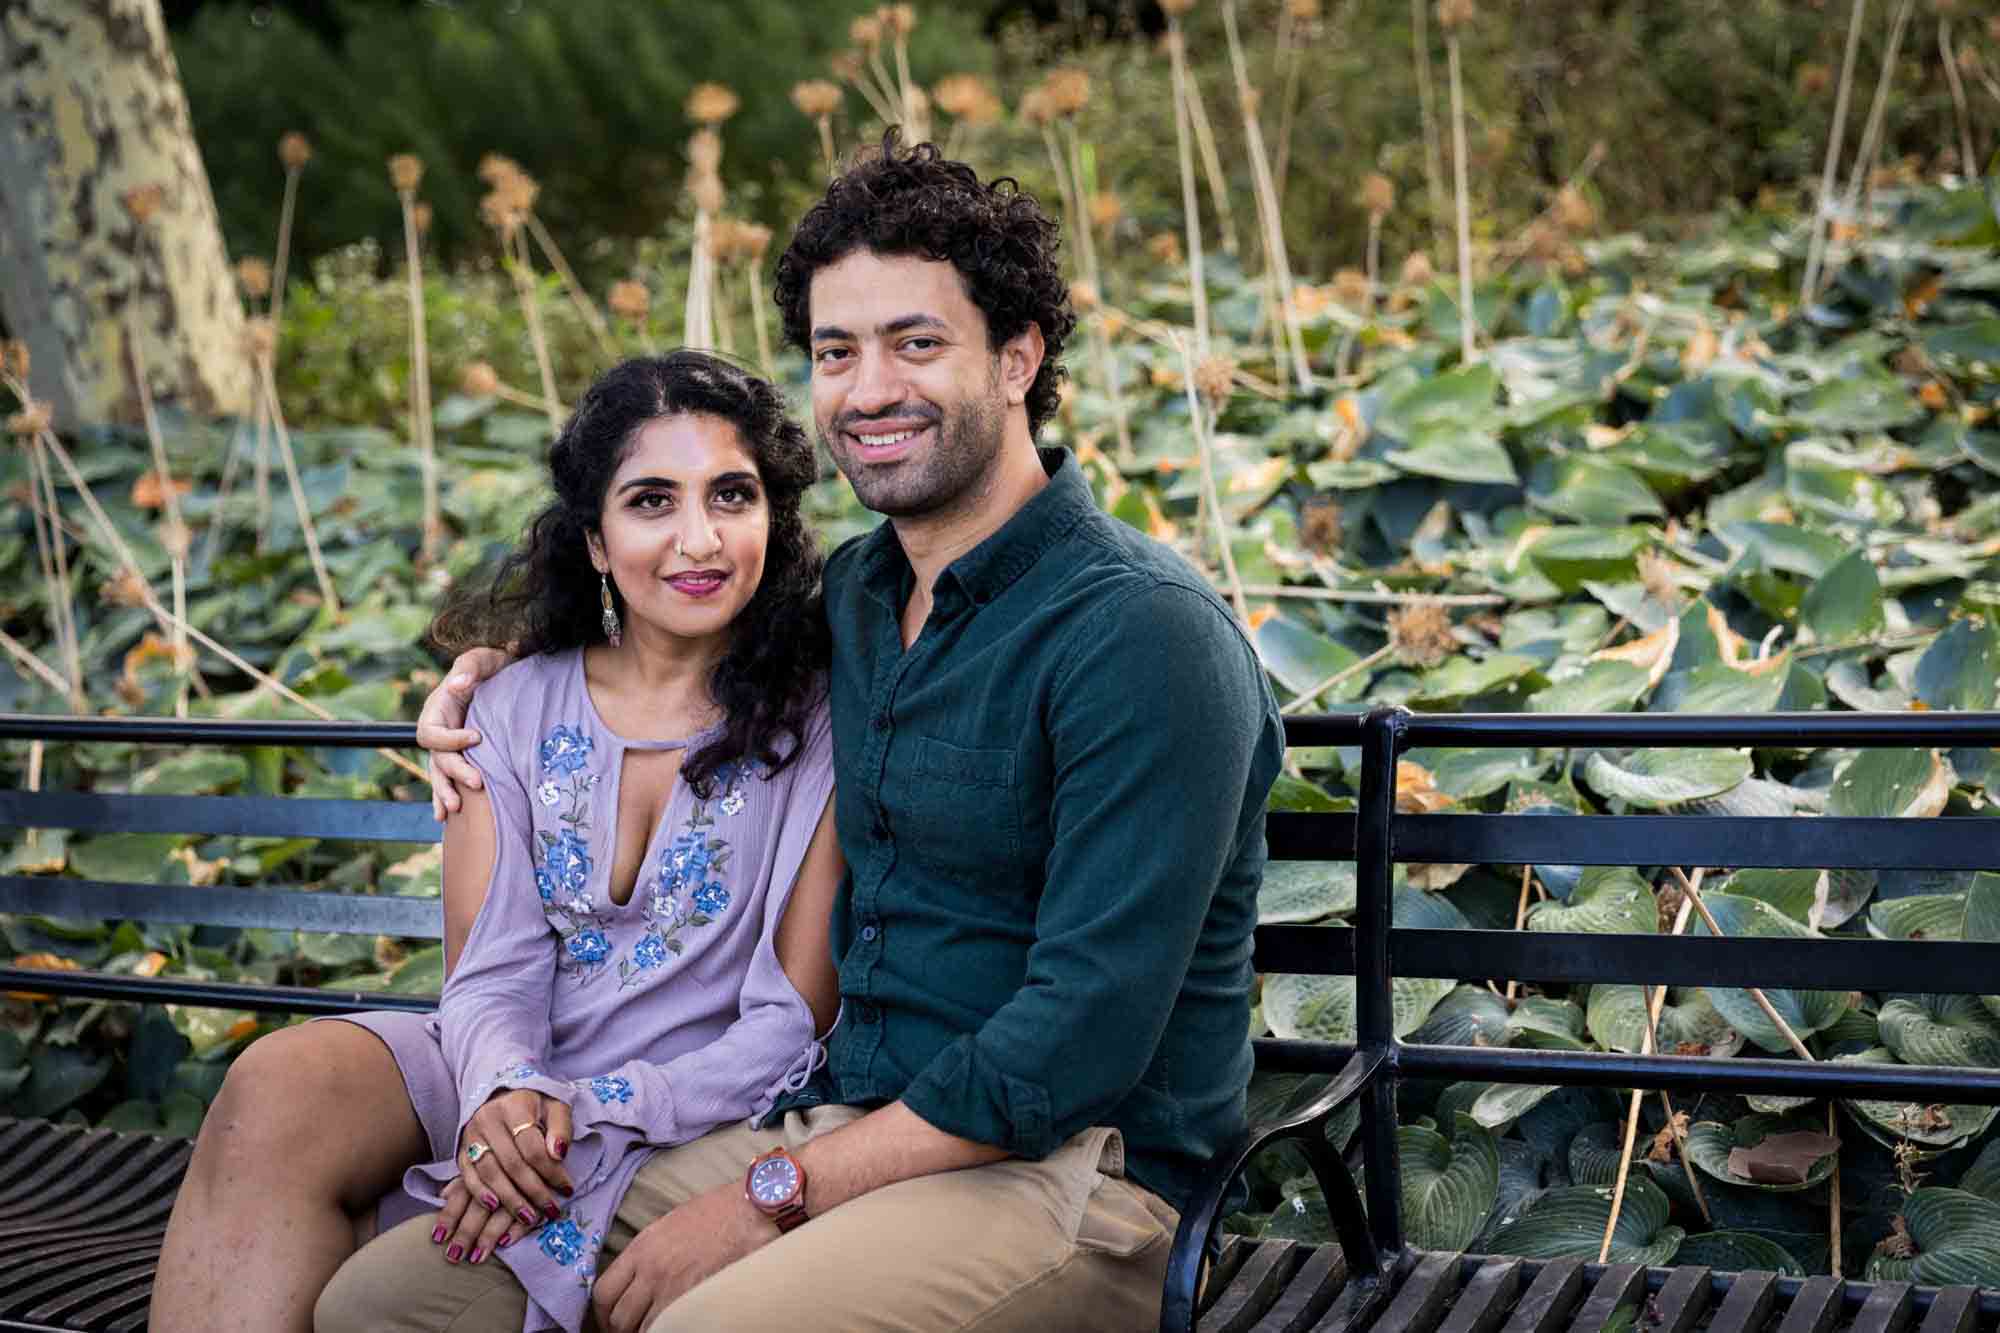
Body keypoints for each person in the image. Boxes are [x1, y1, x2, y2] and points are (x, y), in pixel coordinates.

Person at [371, 131, 1284, 1333]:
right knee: (394, 1300)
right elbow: (663, 633)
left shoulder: (1141, 637)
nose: (866, 390)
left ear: (1018, 359)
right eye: (834, 350)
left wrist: (777, 1192)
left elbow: (1077, 1036)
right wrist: (488, 680)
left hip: (1076, 1174)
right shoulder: (851, 602)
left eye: (916, 343)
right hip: (839, 1122)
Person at [150, 351, 844, 1333]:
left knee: (386, 1288)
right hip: (501, 1060)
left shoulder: (818, 720)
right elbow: (490, 973)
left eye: (731, 495)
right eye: (651, 502)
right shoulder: (510, 706)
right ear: (596, 541)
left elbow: (787, 1021)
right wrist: (509, 1089)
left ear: (772, 516)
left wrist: (574, 1107)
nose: (699, 539)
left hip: (677, 1098)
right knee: (277, 1084)